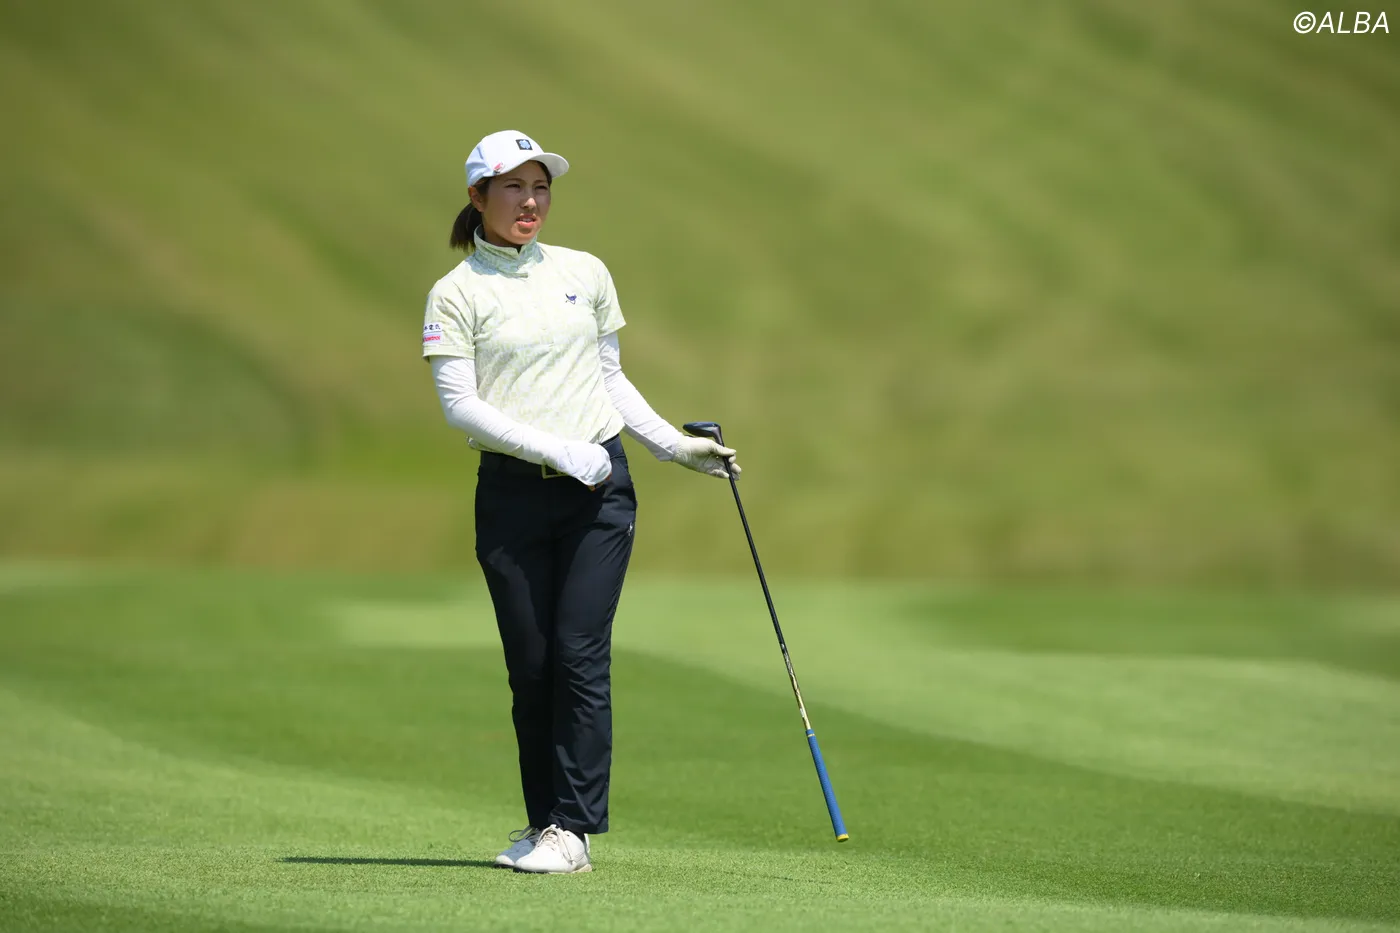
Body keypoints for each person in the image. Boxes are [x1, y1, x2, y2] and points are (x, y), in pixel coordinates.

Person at [421, 130, 740, 874]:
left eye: (541, 187)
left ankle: (574, 830)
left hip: (599, 492)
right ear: (477, 197)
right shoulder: (457, 292)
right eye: (513, 187)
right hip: (512, 496)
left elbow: (609, 377)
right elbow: (460, 405)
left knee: (577, 653)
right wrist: (554, 451)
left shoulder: (583, 271)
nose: (530, 201)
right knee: (530, 666)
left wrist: (672, 446)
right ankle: (545, 826)